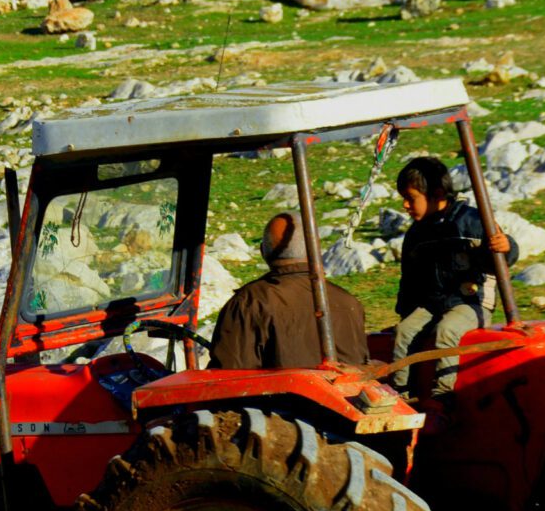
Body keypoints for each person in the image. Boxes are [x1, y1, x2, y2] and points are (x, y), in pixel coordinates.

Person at [394, 155, 514, 397]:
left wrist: (507, 246)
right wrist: (406, 310)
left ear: (437, 194)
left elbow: (500, 252)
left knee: (447, 330)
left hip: (472, 301)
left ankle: (443, 395)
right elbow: (410, 277)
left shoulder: (472, 221)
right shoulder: (417, 234)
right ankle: (400, 393)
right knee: (404, 331)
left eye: (411, 198)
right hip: (434, 303)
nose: (405, 205)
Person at [209, 212, 367, 371]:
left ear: (263, 251)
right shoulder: (349, 302)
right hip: (348, 388)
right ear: (315, 250)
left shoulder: (249, 303)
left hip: (283, 389)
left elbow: (228, 374)